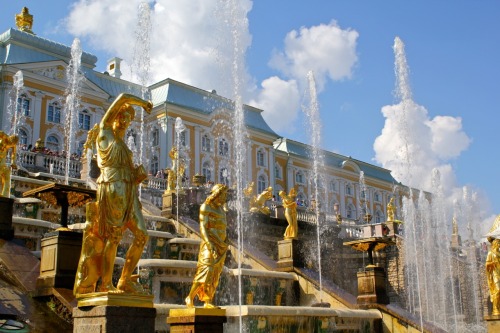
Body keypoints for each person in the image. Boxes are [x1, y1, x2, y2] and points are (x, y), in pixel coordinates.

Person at [95, 93, 153, 294]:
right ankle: (105, 284)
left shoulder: (125, 146)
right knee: (114, 236)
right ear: (114, 117)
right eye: (123, 116)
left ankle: (124, 280)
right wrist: (143, 103)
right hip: (112, 189)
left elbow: (127, 172)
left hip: (129, 192)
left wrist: (138, 176)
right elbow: (122, 97)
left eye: (129, 118)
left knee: (141, 235)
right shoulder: (104, 133)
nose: (126, 121)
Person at [185, 184, 229, 308]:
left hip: (221, 245)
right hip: (209, 243)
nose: (225, 197)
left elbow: (223, 226)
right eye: (224, 194)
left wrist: (226, 240)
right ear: (217, 195)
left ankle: (208, 301)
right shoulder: (206, 207)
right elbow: (203, 228)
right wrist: (210, 244)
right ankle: (190, 297)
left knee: (215, 273)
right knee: (206, 270)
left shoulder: (221, 210)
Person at [0, 131, 18, 197]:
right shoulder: (3, 135)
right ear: (10, 139)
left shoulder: (13, 145)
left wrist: (13, 163)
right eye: (11, 143)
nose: (11, 145)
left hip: (2, 160)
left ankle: (5, 195)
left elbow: (14, 154)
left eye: (13, 144)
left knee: (7, 174)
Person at [486, 237, 500, 316]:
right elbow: (487, 264)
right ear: (494, 244)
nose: (499, 245)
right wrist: (492, 263)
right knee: (497, 290)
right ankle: (495, 308)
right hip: (495, 274)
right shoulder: (490, 253)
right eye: (498, 243)